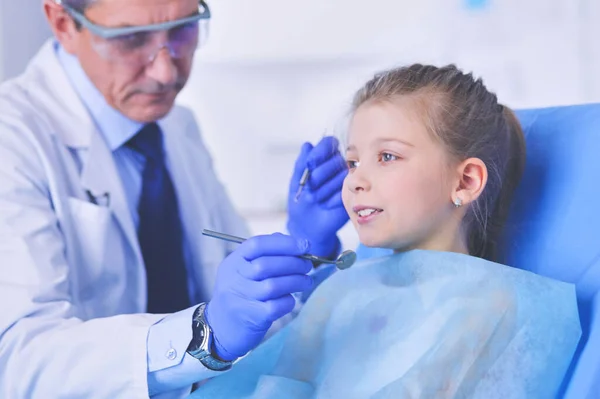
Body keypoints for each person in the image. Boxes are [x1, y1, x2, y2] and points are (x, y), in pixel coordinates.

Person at [0, 0, 349, 397]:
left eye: (184, 29)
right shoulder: (12, 141)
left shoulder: (177, 127)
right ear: (63, 23)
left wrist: (308, 249)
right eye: (130, 39)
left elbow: (246, 322)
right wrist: (205, 333)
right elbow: (18, 359)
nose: (166, 72)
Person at [189, 64, 582, 398]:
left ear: (464, 181)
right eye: (353, 160)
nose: (356, 180)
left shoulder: (497, 306)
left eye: (388, 156)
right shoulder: (340, 293)